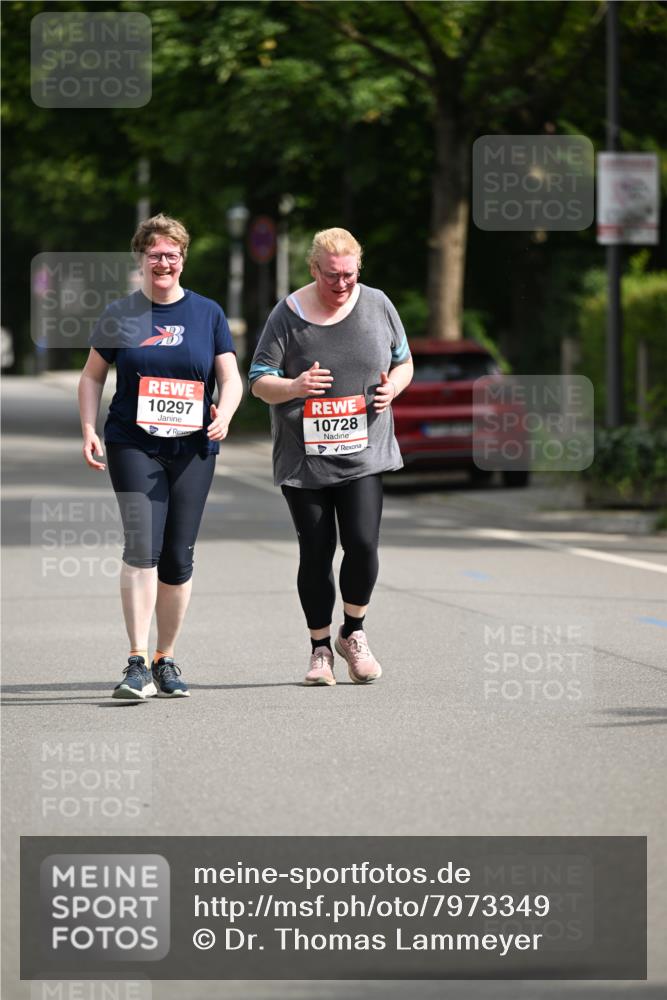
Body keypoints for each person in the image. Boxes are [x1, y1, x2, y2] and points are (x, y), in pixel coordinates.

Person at [78, 213, 243, 700]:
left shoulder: (208, 314)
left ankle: (165, 658)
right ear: (141, 258)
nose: (164, 262)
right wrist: (89, 428)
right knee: (141, 547)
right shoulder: (120, 313)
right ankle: (135, 662)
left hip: (193, 448)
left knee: (178, 557)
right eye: (155, 255)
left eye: (172, 254)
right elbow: (92, 376)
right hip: (133, 443)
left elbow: (230, 378)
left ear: (183, 258)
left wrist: (227, 413)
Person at [249, 227, 413, 687]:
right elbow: (259, 380)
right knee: (316, 552)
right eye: (331, 276)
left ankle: (352, 632)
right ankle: (320, 649)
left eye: (349, 274)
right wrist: (296, 387)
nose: (342, 285)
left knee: (362, 544)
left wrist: (392, 389)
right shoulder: (289, 314)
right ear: (313, 269)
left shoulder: (378, 304)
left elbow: (405, 361)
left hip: (365, 450)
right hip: (306, 458)